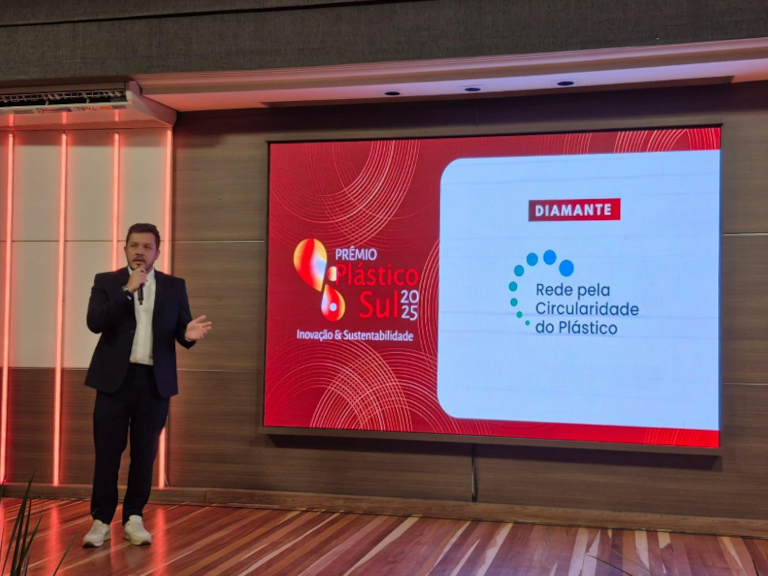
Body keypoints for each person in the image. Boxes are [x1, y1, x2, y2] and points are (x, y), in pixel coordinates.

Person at [81, 223, 212, 547]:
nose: (140, 252)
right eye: (134, 245)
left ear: (158, 252)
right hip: (114, 381)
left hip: (154, 383)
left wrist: (188, 335)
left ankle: (134, 518)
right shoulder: (107, 281)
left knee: (144, 453)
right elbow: (95, 322)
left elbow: (181, 329)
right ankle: (100, 521)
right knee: (107, 452)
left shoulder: (174, 286)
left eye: (147, 247)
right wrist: (127, 291)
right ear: (125, 249)